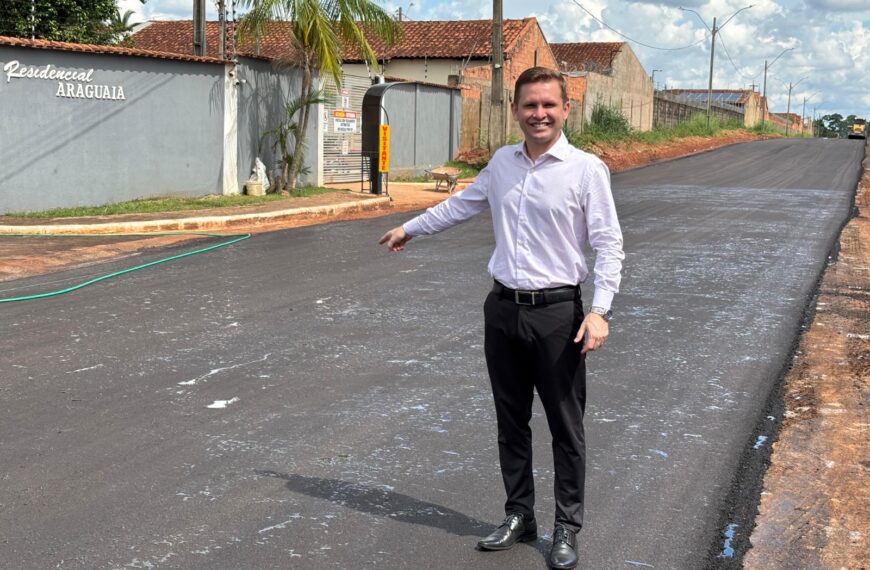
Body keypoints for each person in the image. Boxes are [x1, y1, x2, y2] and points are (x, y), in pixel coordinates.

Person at [378, 66, 624, 570]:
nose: (539, 114)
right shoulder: (502, 163)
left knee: (565, 427)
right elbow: (463, 205)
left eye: (548, 105)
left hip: (559, 314)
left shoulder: (585, 170)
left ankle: (566, 528)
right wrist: (412, 228)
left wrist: (599, 311)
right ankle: (519, 515)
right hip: (503, 310)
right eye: (530, 105)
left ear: (565, 110)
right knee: (511, 422)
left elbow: (608, 245)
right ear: (515, 110)